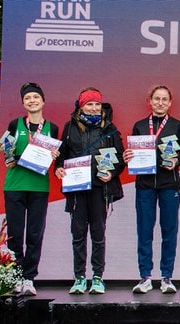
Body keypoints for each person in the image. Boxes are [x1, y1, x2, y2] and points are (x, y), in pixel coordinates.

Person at [55, 87, 125, 295]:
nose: (94, 108)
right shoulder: (69, 128)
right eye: (89, 104)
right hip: (76, 189)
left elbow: (120, 160)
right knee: (78, 234)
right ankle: (79, 277)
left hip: (100, 189)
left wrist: (111, 174)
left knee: (98, 234)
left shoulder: (109, 129)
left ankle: (97, 277)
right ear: (81, 106)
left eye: (97, 104)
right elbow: (62, 154)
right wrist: (58, 167)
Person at [123, 85, 180, 294]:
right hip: (145, 185)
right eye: (156, 99)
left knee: (169, 231)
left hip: (169, 185)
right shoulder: (140, 126)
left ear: (170, 102)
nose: (160, 103)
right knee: (144, 231)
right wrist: (128, 157)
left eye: (164, 99)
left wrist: (176, 161)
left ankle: (167, 277)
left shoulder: (177, 126)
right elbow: (132, 152)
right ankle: (145, 277)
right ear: (149, 101)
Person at [3, 82, 59, 296]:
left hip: (39, 187)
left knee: (35, 234)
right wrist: (10, 158)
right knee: (15, 234)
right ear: (23, 103)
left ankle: (29, 278)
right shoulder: (14, 124)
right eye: (28, 98)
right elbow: (7, 150)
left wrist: (54, 157)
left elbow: (55, 158)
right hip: (15, 186)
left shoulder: (51, 128)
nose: (32, 100)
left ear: (43, 101)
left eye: (36, 97)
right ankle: (16, 276)